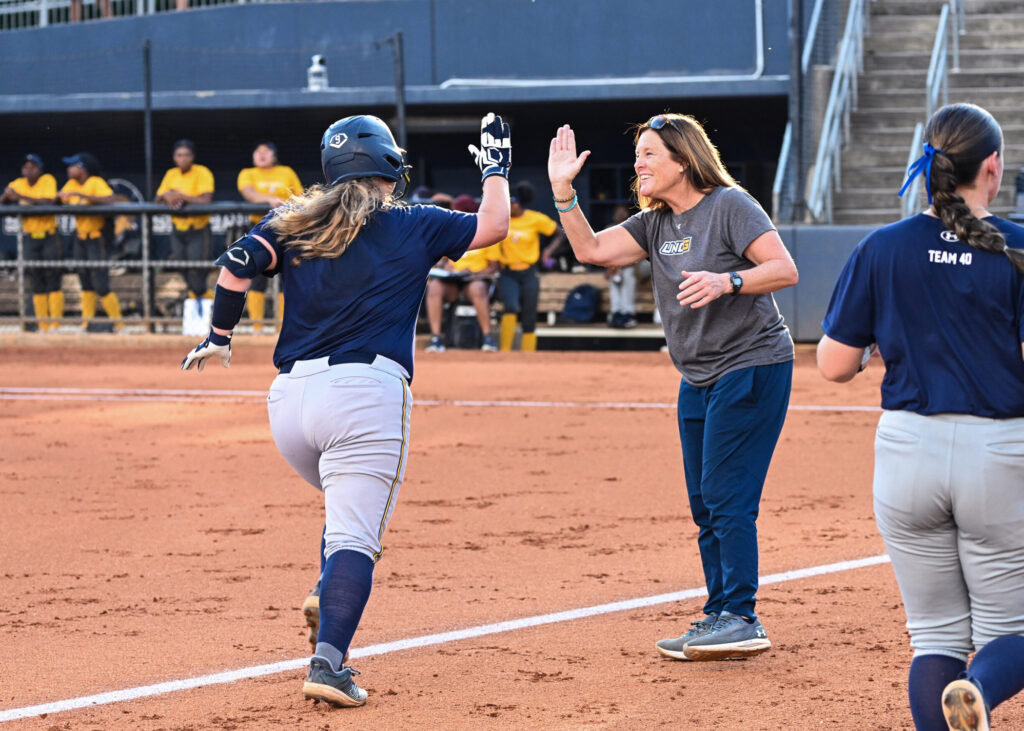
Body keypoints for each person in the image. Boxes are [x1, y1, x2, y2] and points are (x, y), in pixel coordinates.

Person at [180, 113, 511, 708]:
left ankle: (324, 586)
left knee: (343, 515)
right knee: (356, 536)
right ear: (390, 167)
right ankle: (328, 666)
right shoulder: (416, 221)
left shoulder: (290, 219)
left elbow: (235, 264)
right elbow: (493, 227)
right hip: (364, 394)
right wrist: (494, 170)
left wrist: (221, 335)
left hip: (288, 405)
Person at [547, 113, 798, 661]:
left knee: (728, 495)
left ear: (683, 160)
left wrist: (728, 279)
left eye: (649, 155)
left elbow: (783, 269)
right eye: (638, 155)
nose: (638, 165)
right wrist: (563, 192)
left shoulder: (730, 205)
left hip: (751, 364)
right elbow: (591, 252)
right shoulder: (655, 221)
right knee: (705, 500)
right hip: (699, 375)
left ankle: (742, 617)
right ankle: (719, 614)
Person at [817, 103, 1024, 731]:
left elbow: (833, 364)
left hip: (906, 451)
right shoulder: (1016, 246)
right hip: (997, 450)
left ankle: (960, 698)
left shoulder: (883, 246)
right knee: (1009, 632)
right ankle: (979, 690)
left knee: (932, 636)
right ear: (991, 166)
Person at [237, 141, 303, 331]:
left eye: (266, 151)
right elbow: (248, 194)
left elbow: (299, 195)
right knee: (256, 275)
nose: (261, 154)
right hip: (258, 226)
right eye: (257, 151)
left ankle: (284, 326)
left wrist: (285, 203)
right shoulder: (247, 173)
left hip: (285, 226)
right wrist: (269, 199)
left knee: (288, 274)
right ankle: (257, 327)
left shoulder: (286, 171)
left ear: (274, 155)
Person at [424, 194, 500, 352]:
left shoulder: (486, 231)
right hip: (453, 281)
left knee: (477, 288)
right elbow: (441, 260)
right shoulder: (451, 231)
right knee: (435, 287)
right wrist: (445, 267)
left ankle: (488, 338)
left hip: (475, 279)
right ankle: (436, 339)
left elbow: (493, 267)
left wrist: (474, 273)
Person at [495, 181, 566, 351]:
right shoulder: (502, 220)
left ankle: (529, 356)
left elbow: (560, 233)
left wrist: (548, 251)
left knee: (529, 315)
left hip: (529, 271)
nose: (509, 207)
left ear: (519, 204)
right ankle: (505, 351)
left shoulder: (534, 219)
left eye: (511, 204)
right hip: (508, 272)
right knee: (510, 306)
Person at [58, 152, 124, 331]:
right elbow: (59, 197)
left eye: (73, 165)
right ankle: (86, 323)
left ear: (82, 169)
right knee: (85, 282)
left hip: (97, 238)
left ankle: (119, 324)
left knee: (100, 283)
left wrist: (83, 195)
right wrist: (59, 197)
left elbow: (111, 200)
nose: (69, 169)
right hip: (80, 237)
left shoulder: (95, 182)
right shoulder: (71, 183)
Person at [2, 154, 62, 332]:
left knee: (53, 279)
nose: (28, 169)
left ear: (39, 169)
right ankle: (43, 324)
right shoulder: (17, 183)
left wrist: (20, 196)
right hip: (30, 237)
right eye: (25, 166)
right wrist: (6, 196)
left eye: (32, 166)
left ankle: (55, 324)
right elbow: (3, 201)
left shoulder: (47, 180)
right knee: (36, 280)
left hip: (49, 236)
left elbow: (48, 202)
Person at [155, 140, 215, 301]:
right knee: (182, 266)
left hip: (198, 228)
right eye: (179, 155)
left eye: (186, 155)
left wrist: (181, 196)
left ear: (192, 157)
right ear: (174, 158)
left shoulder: (202, 172)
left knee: (197, 267)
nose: (183, 159)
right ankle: (199, 298)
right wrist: (166, 195)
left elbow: (206, 200)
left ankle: (205, 301)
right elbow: (157, 199)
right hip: (178, 228)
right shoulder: (171, 174)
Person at [603, 204, 639, 328]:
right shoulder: (609, 229)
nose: (620, 217)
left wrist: (617, 266)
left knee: (627, 275)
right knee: (614, 278)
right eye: (618, 214)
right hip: (614, 266)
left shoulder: (634, 228)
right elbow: (605, 252)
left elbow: (636, 253)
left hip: (632, 266)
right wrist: (611, 268)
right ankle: (616, 313)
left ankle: (628, 314)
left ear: (628, 216)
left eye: (623, 214)